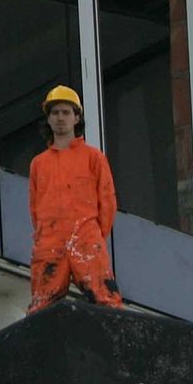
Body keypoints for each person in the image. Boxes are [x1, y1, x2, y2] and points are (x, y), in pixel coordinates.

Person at [27, 85, 124, 314]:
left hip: (85, 236)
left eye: (66, 112)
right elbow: (35, 208)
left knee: (105, 299)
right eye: (55, 113)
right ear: (48, 119)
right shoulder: (39, 164)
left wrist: (94, 234)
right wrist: (46, 233)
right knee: (41, 304)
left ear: (76, 117)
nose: (60, 118)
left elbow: (107, 201)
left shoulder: (93, 157)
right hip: (49, 241)